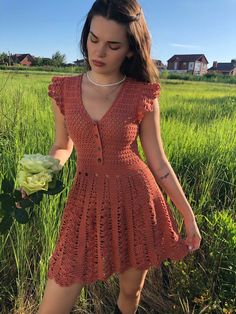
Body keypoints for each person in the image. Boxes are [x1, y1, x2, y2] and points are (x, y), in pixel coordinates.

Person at [37, 0, 202, 313]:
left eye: (112, 45)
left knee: (130, 295)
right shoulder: (65, 90)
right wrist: (41, 173)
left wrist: (188, 216)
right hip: (84, 203)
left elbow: (159, 163)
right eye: (93, 39)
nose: (98, 53)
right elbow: (62, 145)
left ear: (130, 49)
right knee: (54, 299)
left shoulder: (142, 94)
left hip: (136, 202)